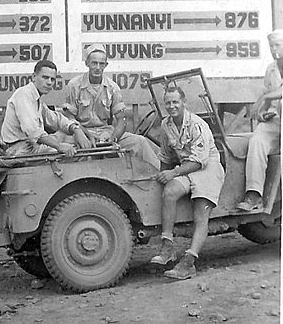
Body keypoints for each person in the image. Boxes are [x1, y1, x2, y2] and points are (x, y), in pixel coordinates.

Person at [150, 85, 224, 280]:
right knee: (170, 191)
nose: (172, 106)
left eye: (175, 102)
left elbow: (200, 160)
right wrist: (164, 175)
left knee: (200, 212)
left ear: (184, 103)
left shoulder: (196, 124)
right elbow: (166, 156)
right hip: (186, 167)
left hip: (208, 168)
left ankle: (189, 262)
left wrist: (173, 172)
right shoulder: (166, 125)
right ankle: (167, 246)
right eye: (168, 103)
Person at [63, 44, 159, 168]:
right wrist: (82, 133)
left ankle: (160, 174)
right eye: (94, 63)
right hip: (81, 133)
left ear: (106, 65)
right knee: (63, 150)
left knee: (139, 141)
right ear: (87, 63)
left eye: (101, 64)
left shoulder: (112, 88)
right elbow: (69, 117)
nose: (98, 68)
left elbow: (121, 120)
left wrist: (113, 138)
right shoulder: (74, 85)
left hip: (105, 133)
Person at [0, 59, 91, 156]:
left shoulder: (37, 100)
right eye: (45, 77)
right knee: (69, 154)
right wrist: (59, 146)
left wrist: (76, 129)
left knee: (71, 141)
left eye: (52, 79)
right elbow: (33, 132)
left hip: (29, 146)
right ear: (34, 77)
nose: (49, 82)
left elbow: (56, 119)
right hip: (17, 149)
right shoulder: (24, 94)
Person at [237, 29, 282, 212]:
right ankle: (254, 195)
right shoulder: (271, 68)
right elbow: (267, 93)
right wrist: (262, 112)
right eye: (271, 46)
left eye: (278, 45)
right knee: (256, 140)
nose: (274, 49)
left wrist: (264, 100)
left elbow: (271, 95)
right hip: (275, 121)